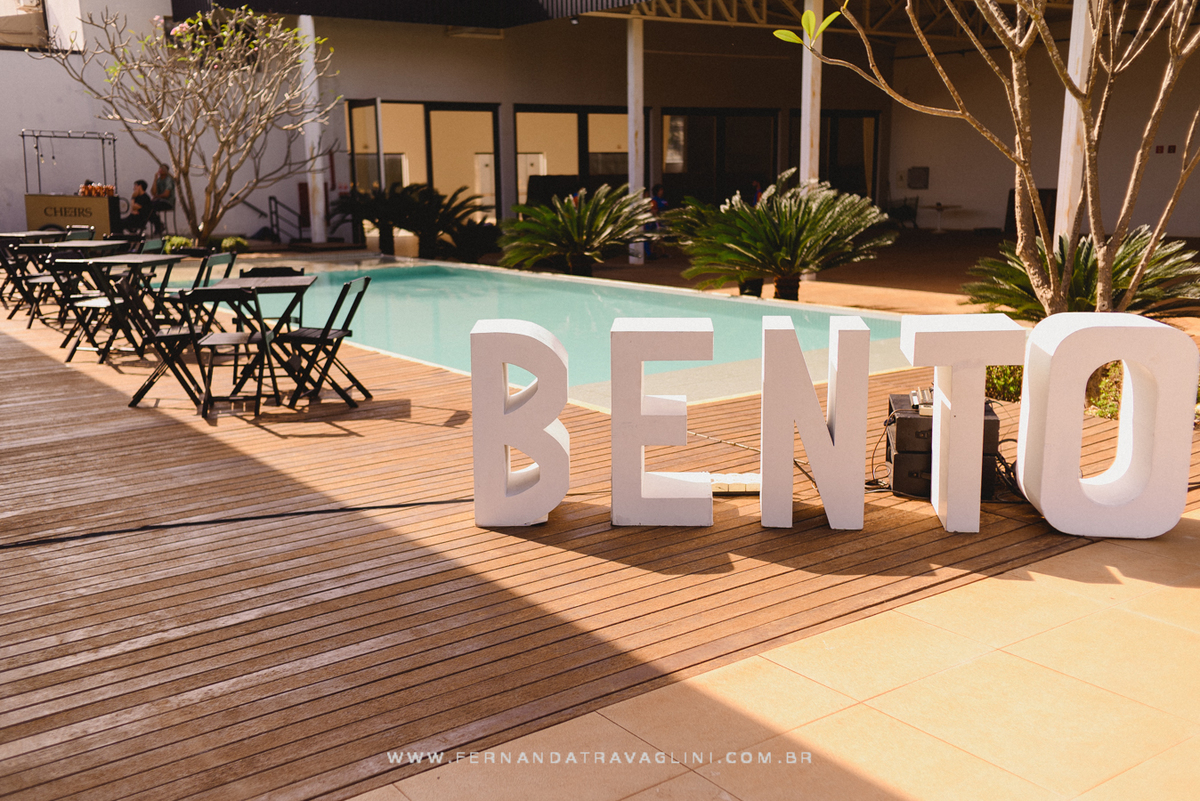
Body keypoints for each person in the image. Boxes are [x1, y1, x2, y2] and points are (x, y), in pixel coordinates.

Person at [148, 163, 175, 235]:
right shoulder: (159, 180)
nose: (161, 170)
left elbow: (166, 194)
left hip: (167, 202)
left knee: (151, 206)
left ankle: (159, 226)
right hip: (159, 201)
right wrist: (155, 180)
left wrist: (157, 196)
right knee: (147, 208)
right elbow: (153, 192)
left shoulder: (168, 180)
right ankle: (159, 225)